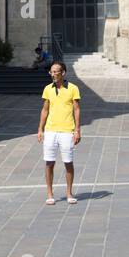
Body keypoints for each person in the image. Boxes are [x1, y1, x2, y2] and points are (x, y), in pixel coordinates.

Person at [37, 60, 81, 204]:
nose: (54, 74)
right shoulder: (47, 89)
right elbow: (45, 110)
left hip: (67, 131)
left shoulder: (73, 88)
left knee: (68, 162)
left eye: (56, 71)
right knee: (49, 162)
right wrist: (40, 129)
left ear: (63, 73)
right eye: (52, 71)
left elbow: (76, 110)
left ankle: (69, 193)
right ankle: (50, 194)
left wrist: (77, 130)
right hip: (50, 130)